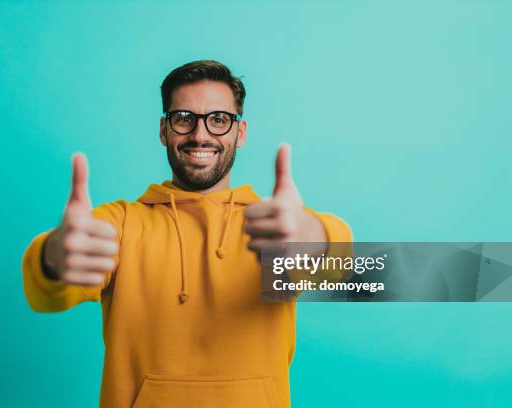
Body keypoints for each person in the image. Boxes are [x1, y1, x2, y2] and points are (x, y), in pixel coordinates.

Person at [22, 60, 352, 408]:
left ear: (240, 133)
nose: (201, 134)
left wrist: (316, 239)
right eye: (184, 118)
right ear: (164, 130)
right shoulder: (122, 223)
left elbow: (341, 270)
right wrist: (53, 257)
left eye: (219, 120)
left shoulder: (273, 228)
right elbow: (49, 295)